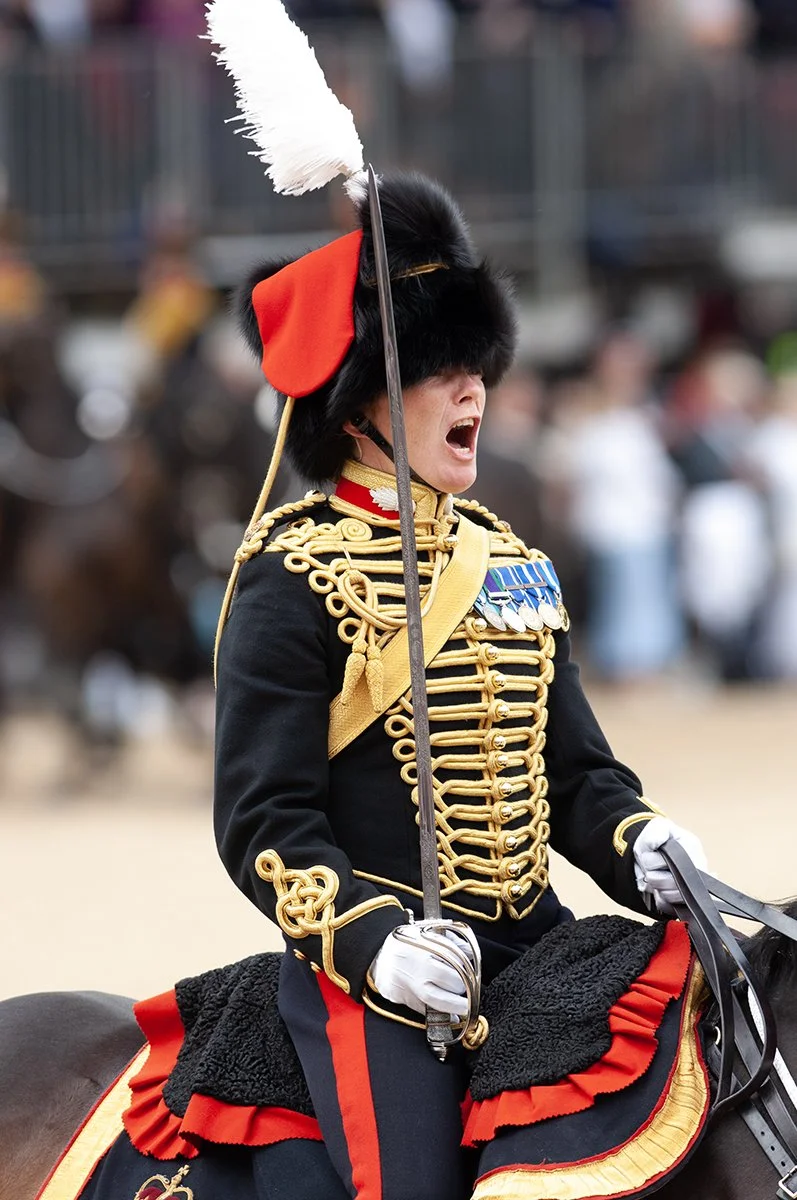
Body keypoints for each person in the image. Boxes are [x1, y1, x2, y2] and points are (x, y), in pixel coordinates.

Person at [213, 172, 709, 1200]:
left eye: (477, 368)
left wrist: (638, 841)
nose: (473, 393)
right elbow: (264, 821)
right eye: (441, 371)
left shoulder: (510, 559)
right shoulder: (289, 572)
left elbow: (577, 777)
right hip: (384, 979)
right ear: (359, 405)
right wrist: (373, 945)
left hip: (539, 946)